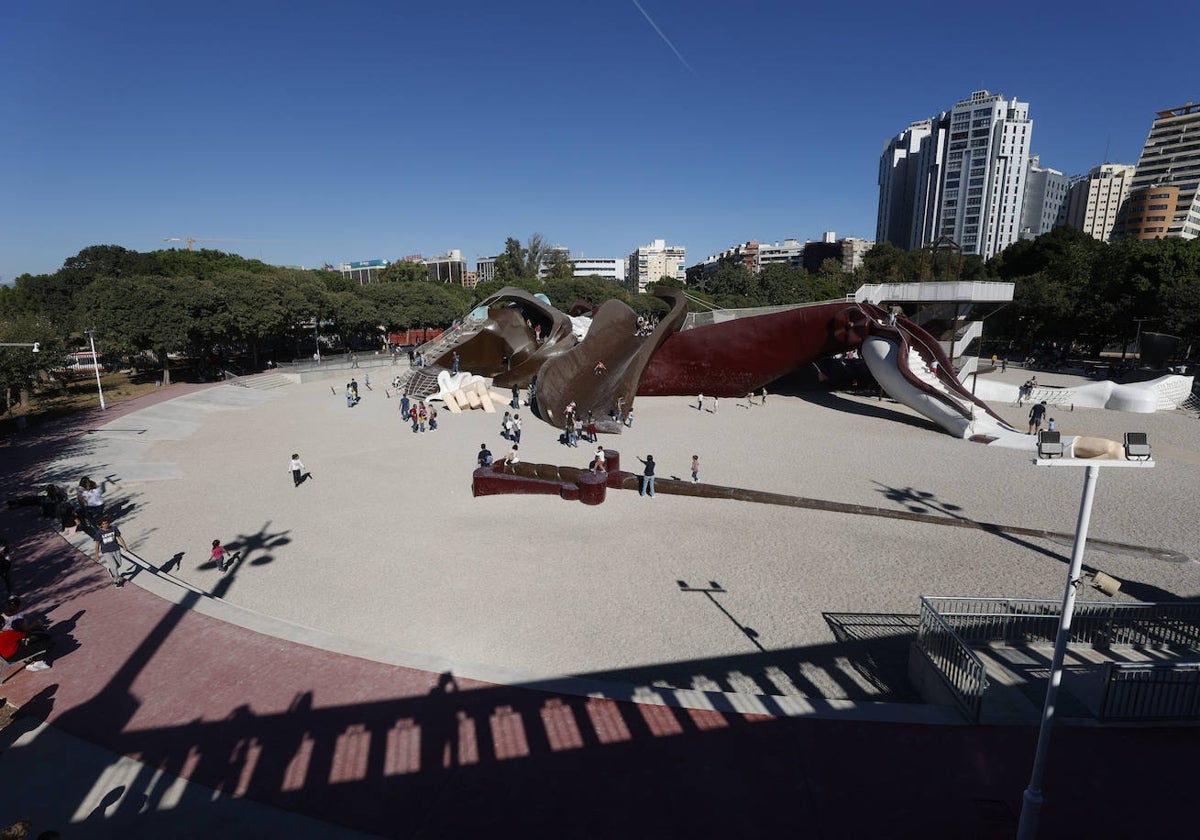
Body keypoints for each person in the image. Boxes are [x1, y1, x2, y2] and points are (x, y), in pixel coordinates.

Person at [94, 518, 133, 588]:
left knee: (119, 564)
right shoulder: (99, 533)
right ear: (100, 525)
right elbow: (97, 544)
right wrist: (97, 555)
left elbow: (119, 537)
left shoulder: (114, 529)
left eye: (106, 523)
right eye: (103, 524)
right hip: (106, 551)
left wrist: (124, 546)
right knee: (114, 566)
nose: (105, 525)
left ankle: (112, 571)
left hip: (116, 549)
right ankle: (117, 581)